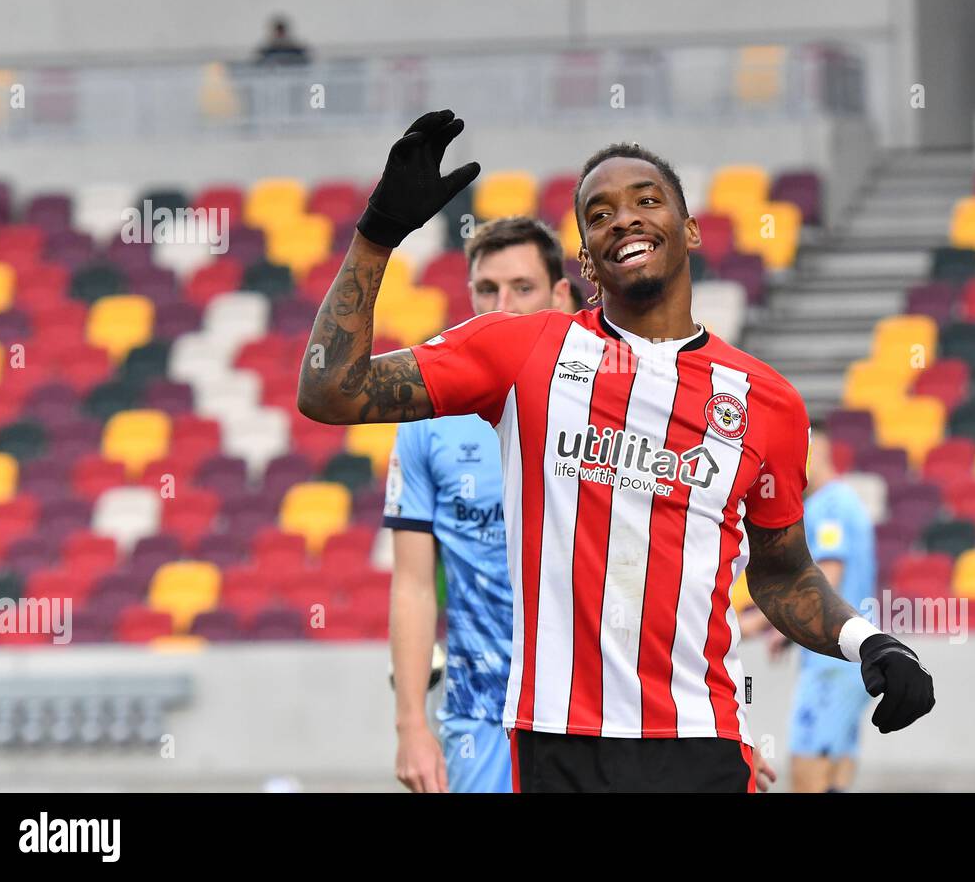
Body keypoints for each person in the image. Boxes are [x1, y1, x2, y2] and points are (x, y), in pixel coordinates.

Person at [297, 109, 934, 792]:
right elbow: (331, 389)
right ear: (586, 263)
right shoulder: (523, 351)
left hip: (703, 744)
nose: (623, 219)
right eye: (598, 215)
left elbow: (781, 574)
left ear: (688, 231)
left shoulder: (766, 402)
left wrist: (869, 641)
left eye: (647, 201)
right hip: (558, 744)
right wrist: (378, 234)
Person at [385, 217, 573, 794]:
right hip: (480, 713)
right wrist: (411, 725)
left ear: (561, 296)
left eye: (523, 288)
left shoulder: (614, 402)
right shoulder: (428, 421)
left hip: (593, 712)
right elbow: (414, 586)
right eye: (487, 290)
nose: (503, 306)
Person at [740, 430, 878, 792]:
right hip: (854, 655)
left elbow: (827, 580)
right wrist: (786, 637)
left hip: (831, 663)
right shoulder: (846, 502)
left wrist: (753, 624)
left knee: (806, 768)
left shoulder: (828, 506)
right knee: (836, 767)